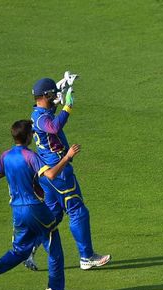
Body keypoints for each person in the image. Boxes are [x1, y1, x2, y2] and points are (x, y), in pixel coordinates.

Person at [0, 120, 80, 290]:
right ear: (26, 136)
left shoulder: (6, 156)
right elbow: (50, 174)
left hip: (17, 210)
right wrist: (67, 157)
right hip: (35, 207)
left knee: (21, 250)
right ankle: (55, 288)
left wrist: (12, 172)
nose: (33, 135)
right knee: (53, 243)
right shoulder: (30, 156)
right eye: (32, 132)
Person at [29, 77, 110, 269]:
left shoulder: (39, 113)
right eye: (52, 95)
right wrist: (68, 106)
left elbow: (51, 117)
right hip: (59, 171)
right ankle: (87, 257)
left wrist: (61, 87)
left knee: (54, 215)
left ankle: (28, 250)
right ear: (44, 96)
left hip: (48, 173)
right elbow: (55, 126)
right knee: (78, 211)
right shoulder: (42, 118)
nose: (55, 97)